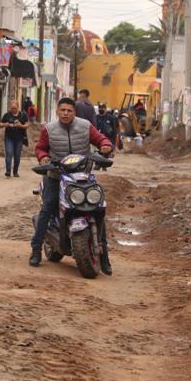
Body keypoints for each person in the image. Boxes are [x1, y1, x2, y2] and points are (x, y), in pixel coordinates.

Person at [30, 97, 114, 274]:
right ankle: (36, 249)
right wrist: (43, 157)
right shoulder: (49, 129)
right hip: (56, 175)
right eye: (63, 110)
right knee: (47, 208)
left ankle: (104, 256)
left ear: (74, 112)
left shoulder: (85, 126)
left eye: (69, 110)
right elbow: (40, 148)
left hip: (82, 176)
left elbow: (101, 139)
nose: (66, 113)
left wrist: (106, 146)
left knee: (98, 209)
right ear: (57, 111)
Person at [0, 101, 29, 177]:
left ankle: (15, 171)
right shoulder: (7, 115)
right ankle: (8, 171)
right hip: (9, 137)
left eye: (15, 108)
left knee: (17, 155)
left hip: (19, 138)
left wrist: (21, 126)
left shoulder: (23, 115)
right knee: (9, 153)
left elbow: (27, 125)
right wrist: (5, 124)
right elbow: (0, 124)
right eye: (12, 108)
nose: (13, 109)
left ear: (18, 107)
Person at [95, 104, 118, 168]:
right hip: (98, 138)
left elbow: (114, 130)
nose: (101, 109)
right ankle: (98, 164)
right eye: (100, 108)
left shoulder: (111, 118)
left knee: (106, 152)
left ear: (105, 109)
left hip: (108, 139)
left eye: (103, 108)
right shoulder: (96, 117)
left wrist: (114, 141)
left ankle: (102, 165)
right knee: (98, 151)